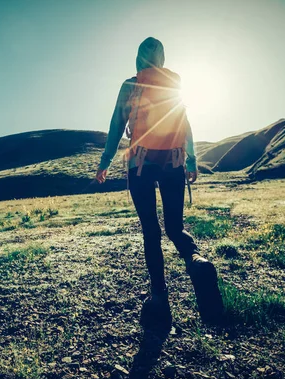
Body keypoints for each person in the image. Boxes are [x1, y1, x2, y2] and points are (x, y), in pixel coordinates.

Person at [95, 37, 222, 326]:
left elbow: (116, 126)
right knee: (175, 227)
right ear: (162, 59)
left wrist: (104, 164)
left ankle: (159, 297)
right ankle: (196, 260)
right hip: (173, 162)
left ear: (138, 59)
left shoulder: (131, 85)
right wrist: (191, 160)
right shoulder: (173, 84)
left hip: (140, 164)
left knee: (151, 231)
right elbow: (184, 123)